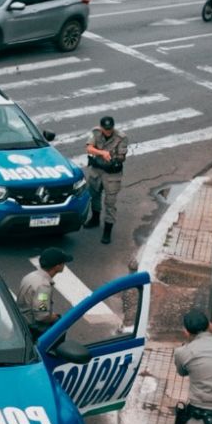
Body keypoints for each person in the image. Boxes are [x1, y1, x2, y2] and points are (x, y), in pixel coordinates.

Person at [83, 115, 129, 245]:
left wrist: (115, 158)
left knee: (110, 202)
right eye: (105, 129)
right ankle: (95, 219)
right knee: (94, 195)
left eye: (110, 129)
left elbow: (122, 156)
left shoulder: (121, 137)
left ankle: (107, 230)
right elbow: (89, 148)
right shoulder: (96, 132)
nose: (108, 131)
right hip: (97, 170)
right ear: (101, 127)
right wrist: (102, 153)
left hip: (111, 173)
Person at [16, 248, 73, 342]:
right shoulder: (43, 287)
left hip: (22, 317)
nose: (64, 265)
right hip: (33, 326)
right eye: (63, 263)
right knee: (61, 324)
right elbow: (41, 316)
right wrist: (57, 317)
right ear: (57, 266)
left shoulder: (31, 275)